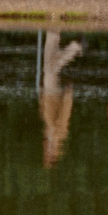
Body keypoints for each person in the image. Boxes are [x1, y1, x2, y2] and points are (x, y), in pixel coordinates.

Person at [39, 30, 82, 166]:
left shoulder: (48, 134)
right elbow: (65, 113)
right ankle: (75, 47)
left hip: (47, 94)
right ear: (53, 154)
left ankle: (53, 34)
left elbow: (44, 112)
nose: (45, 150)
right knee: (50, 68)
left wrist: (41, 96)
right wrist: (68, 95)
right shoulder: (59, 134)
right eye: (47, 154)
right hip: (54, 94)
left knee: (49, 62)